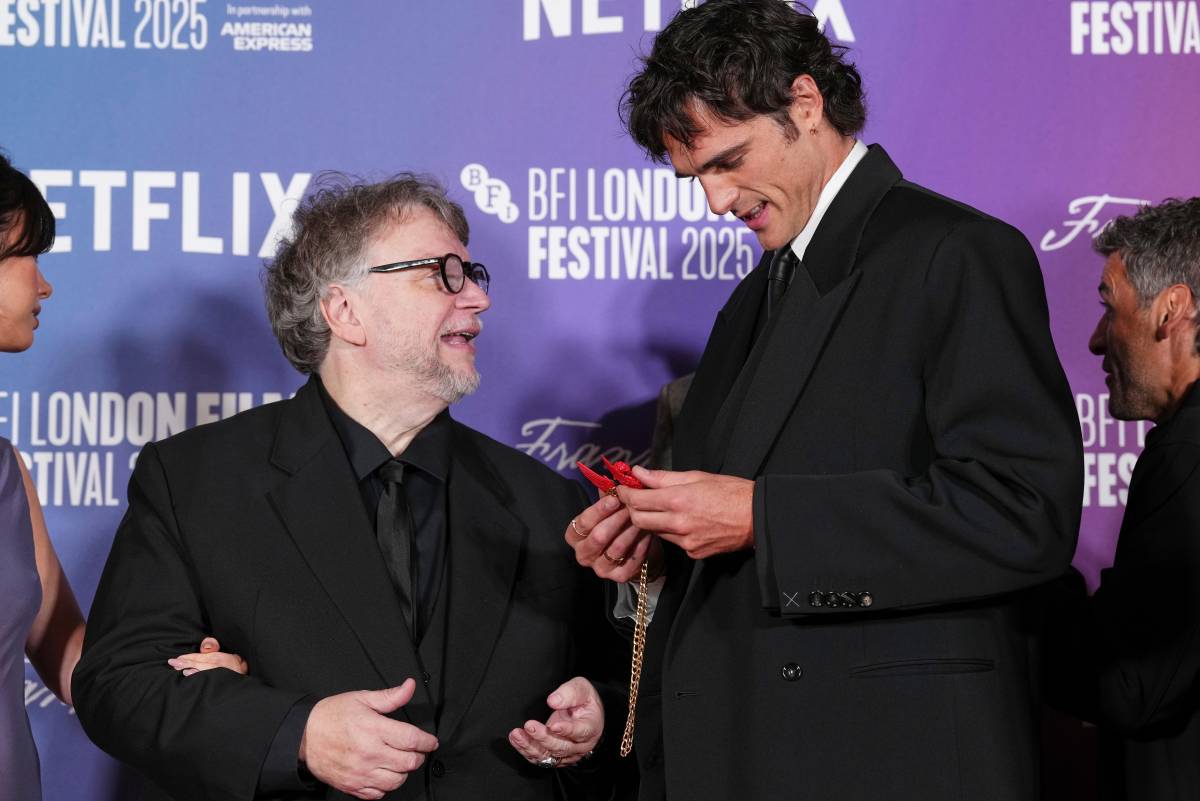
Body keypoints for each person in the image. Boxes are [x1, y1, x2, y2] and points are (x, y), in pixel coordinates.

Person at [563, 2, 1084, 799]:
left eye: (729, 161)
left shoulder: (956, 252)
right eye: (697, 177)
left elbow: (1024, 512)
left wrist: (759, 519)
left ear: (804, 103)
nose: (716, 201)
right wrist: (660, 545)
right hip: (753, 753)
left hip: (889, 761)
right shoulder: (752, 298)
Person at [72, 174, 622, 801]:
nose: (477, 298)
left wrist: (598, 720)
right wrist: (297, 734)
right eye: (442, 274)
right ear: (344, 312)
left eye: (473, 275)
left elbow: (625, 684)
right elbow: (119, 684)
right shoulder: (197, 480)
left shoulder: (544, 500)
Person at [0, 152, 245, 801]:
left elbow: (74, 659)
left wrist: (182, 680)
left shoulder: (8, 471)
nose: (44, 286)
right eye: (28, 256)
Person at [1046, 198, 1200, 801]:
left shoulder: (1187, 451)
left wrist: (1026, 588)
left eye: (1110, 308)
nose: (1094, 340)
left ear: (1171, 310)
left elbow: (1132, 689)